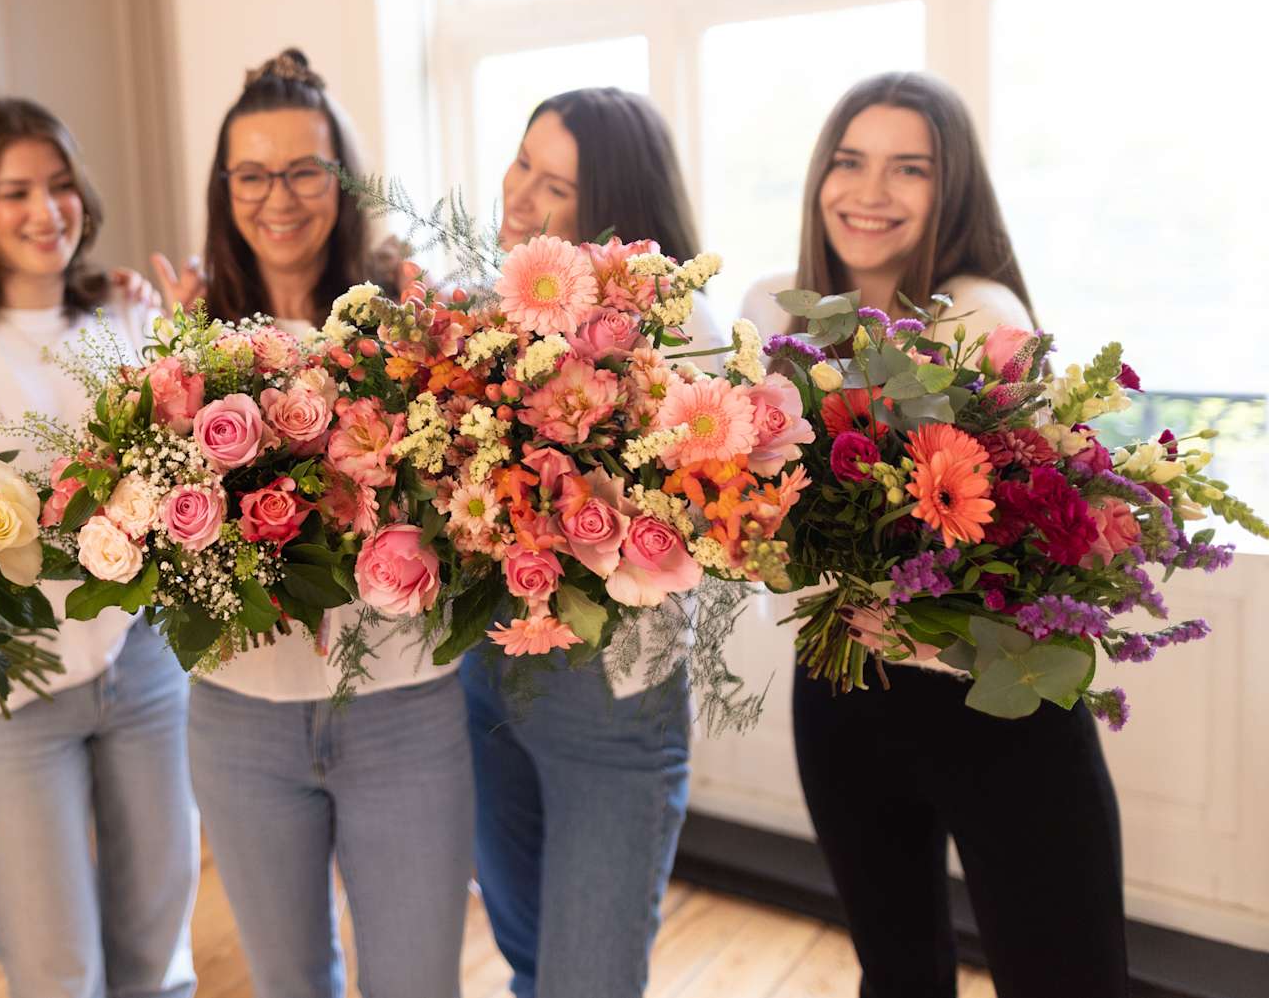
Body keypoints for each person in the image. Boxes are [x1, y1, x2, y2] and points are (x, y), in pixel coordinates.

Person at [739, 70, 1127, 998]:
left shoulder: (979, 312)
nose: (869, 192)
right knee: (896, 975)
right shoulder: (771, 305)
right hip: (843, 691)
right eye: (849, 161)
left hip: (998, 701)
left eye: (909, 168)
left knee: (1064, 980)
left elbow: (1022, 534)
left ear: (950, 189)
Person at [162, 49, 473, 998]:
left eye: (304, 170)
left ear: (342, 176)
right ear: (225, 187)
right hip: (241, 719)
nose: (279, 198)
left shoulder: (410, 313)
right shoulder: (186, 338)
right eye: (252, 175)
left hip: (403, 707)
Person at [0, 97, 199, 998]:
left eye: (60, 184)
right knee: (55, 970)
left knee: (159, 950)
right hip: (11, 691)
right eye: (15, 191)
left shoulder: (122, 315)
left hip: (141, 662)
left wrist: (183, 333)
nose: (46, 210)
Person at [461, 87, 704, 998]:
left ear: (615, 211)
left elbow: (711, 536)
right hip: (487, 677)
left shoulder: (683, 338)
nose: (520, 194)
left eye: (556, 184)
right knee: (529, 961)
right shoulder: (487, 311)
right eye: (522, 161)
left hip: (614, 702)